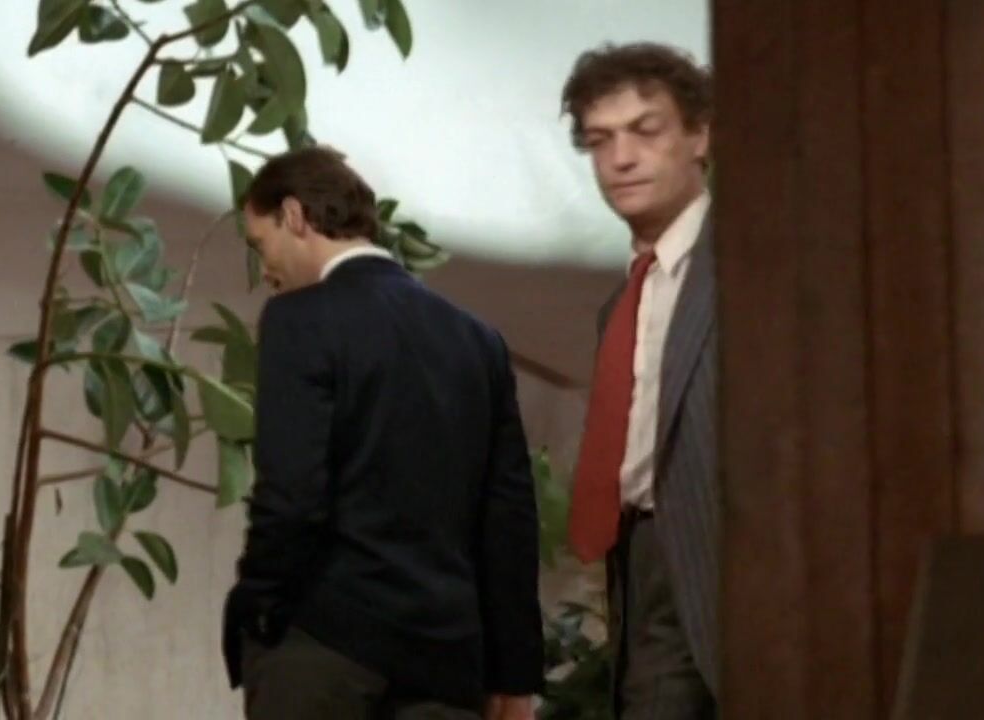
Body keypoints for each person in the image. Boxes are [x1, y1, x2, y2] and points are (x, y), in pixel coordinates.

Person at [221, 146, 543, 720]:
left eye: (260, 243)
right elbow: (508, 518)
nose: (265, 269)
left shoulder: (300, 319)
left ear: (294, 216)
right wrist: (513, 676)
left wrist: (257, 608)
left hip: (324, 647)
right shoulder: (478, 341)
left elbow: (291, 494)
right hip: (446, 661)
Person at [561, 43, 718, 718]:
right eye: (600, 141)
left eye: (645, 131)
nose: (620, 159)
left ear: (700, 135)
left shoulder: (753, 264)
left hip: (740, 569)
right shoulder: (620, 305)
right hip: (642, 562)